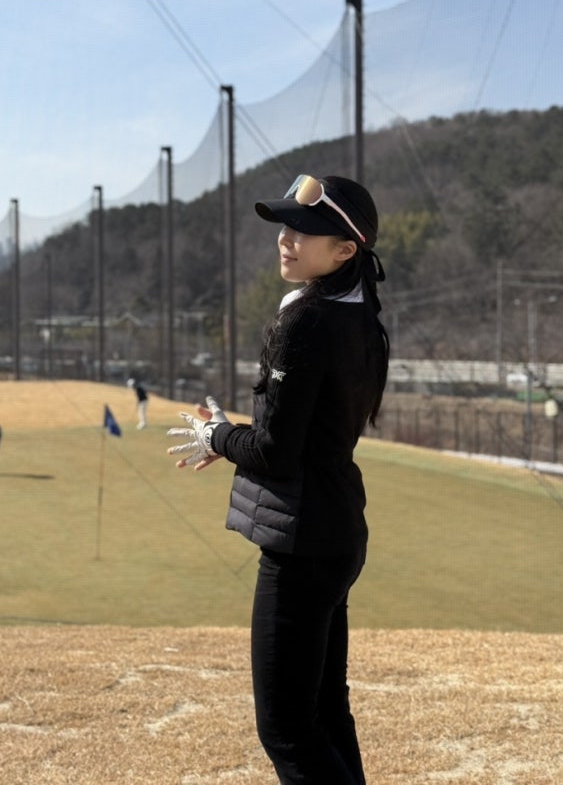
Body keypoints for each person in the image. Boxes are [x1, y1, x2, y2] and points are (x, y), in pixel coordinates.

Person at [168, 174, 389, 785]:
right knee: (325, 712)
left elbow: (275, 451)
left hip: (302, 545)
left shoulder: (307, 320)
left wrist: (218, 436)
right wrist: (233, 436)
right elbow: (301, 437)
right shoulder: (362, 315)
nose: (286, 239)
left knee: (288, 729)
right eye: (286, 226)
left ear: (344, 249)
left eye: (305, 231)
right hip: (336, 534)